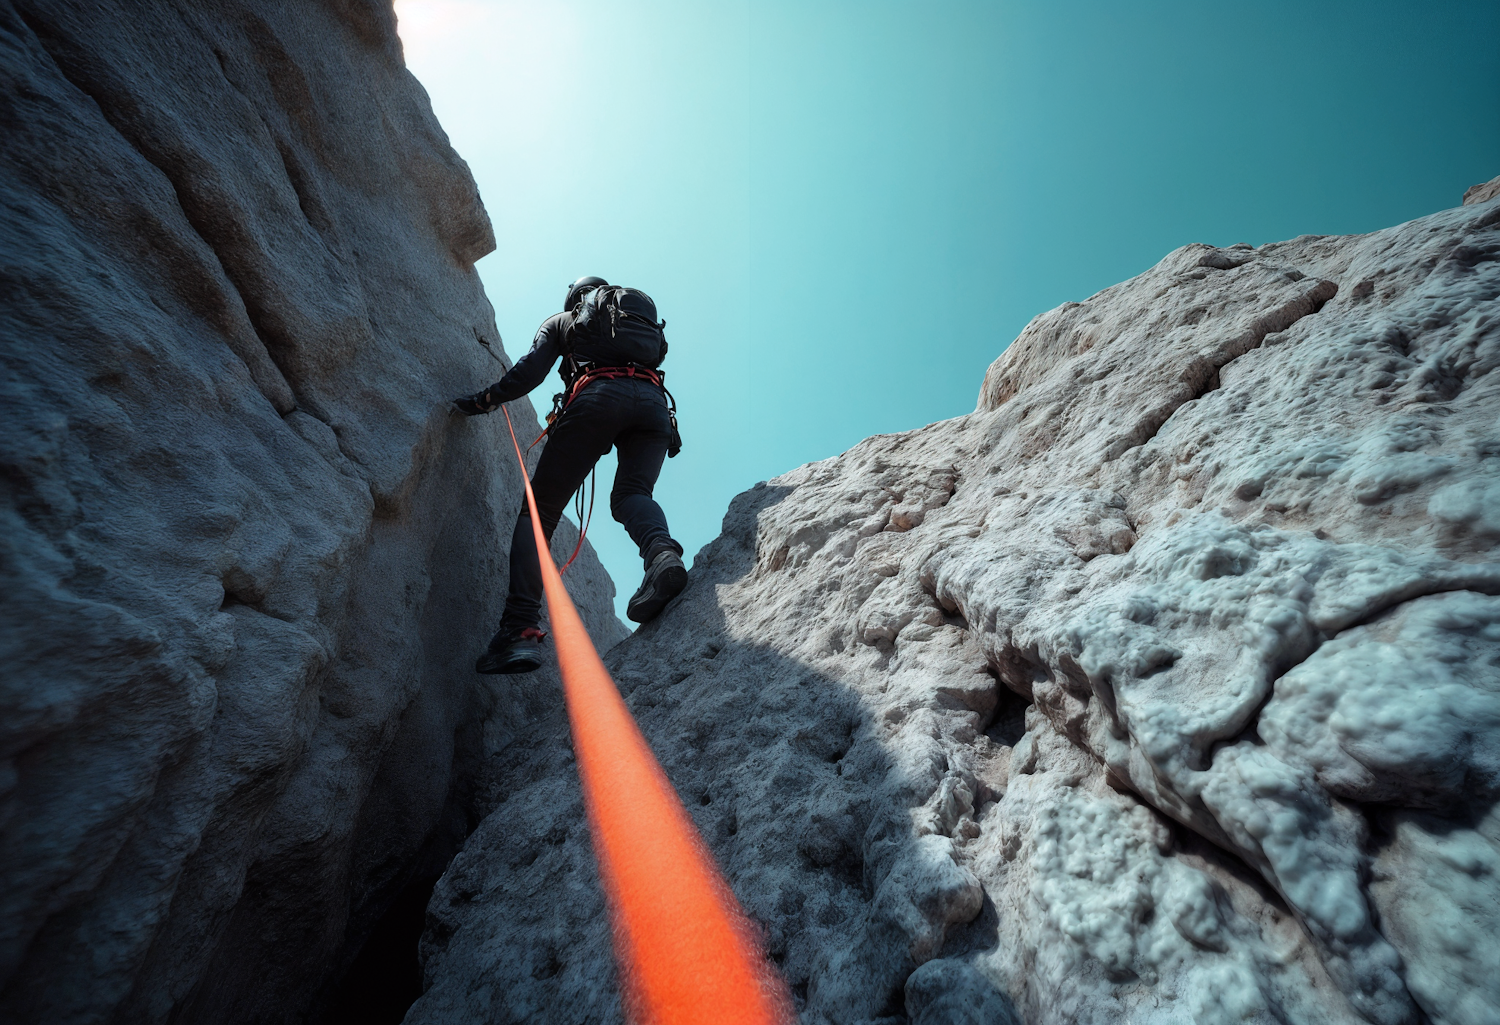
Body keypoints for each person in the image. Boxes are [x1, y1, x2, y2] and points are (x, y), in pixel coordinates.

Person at [454, 276, 688, 674]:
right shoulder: (637, 322)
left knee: (538, 512)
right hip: (653, 406)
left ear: (576, 301)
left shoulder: (565, 320)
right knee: (633, 494)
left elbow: (530, 371)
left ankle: (519, 629)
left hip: (598, 398)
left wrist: (487, 399)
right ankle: (661, 557)